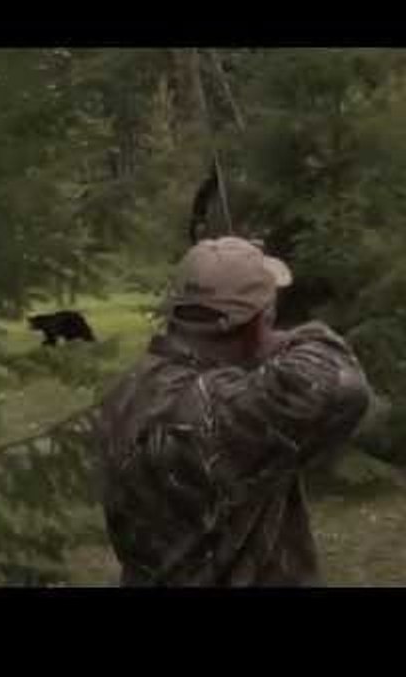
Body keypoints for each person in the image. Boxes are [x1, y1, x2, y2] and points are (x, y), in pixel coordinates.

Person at [93, 236, 371, 586]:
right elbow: (339, 384)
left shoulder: (128, 391)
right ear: (258, 325)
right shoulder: (222, 410)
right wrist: (278, 340)